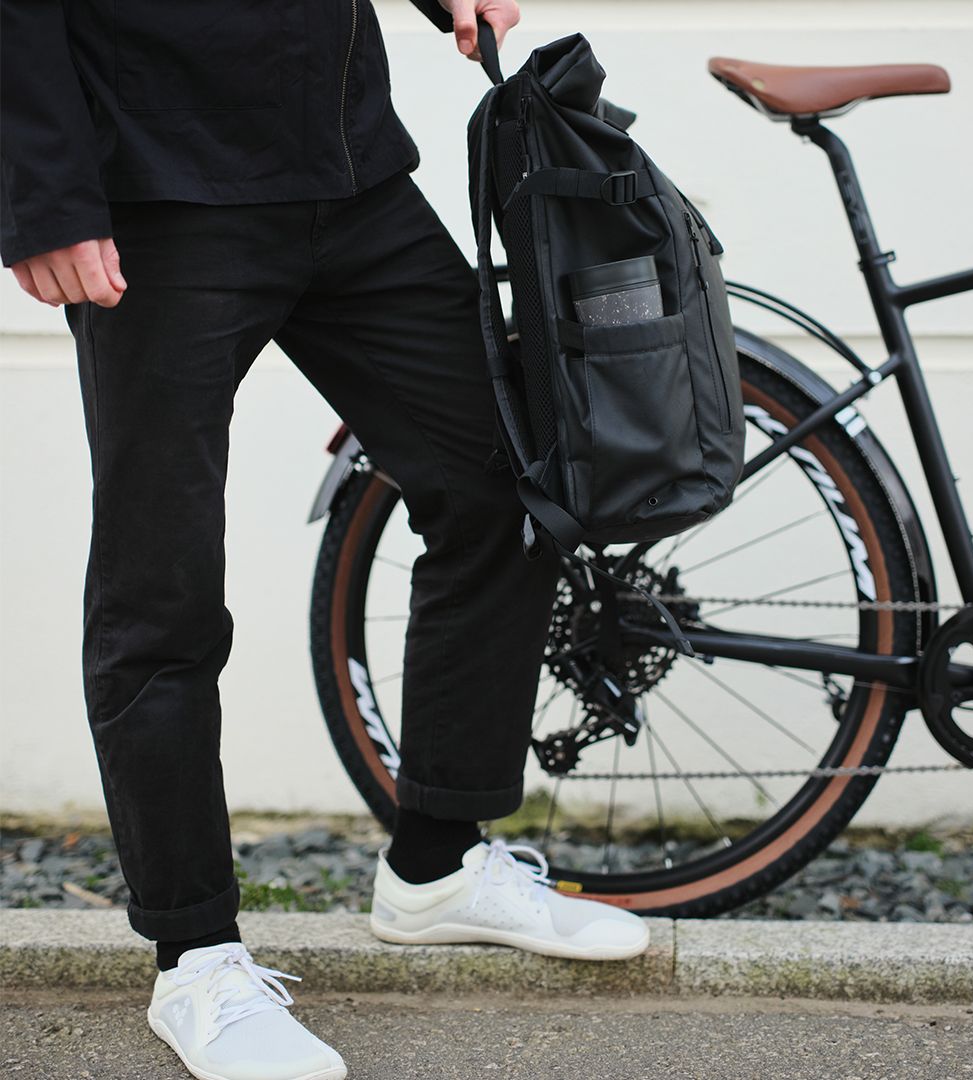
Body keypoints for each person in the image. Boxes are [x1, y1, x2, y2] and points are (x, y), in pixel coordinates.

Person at [1, 1, 649, 1077]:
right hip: (161, 191)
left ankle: (437, 866)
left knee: (506, 490)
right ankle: (195, 957)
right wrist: (44, 195)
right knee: (160, 591)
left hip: (348, 171)